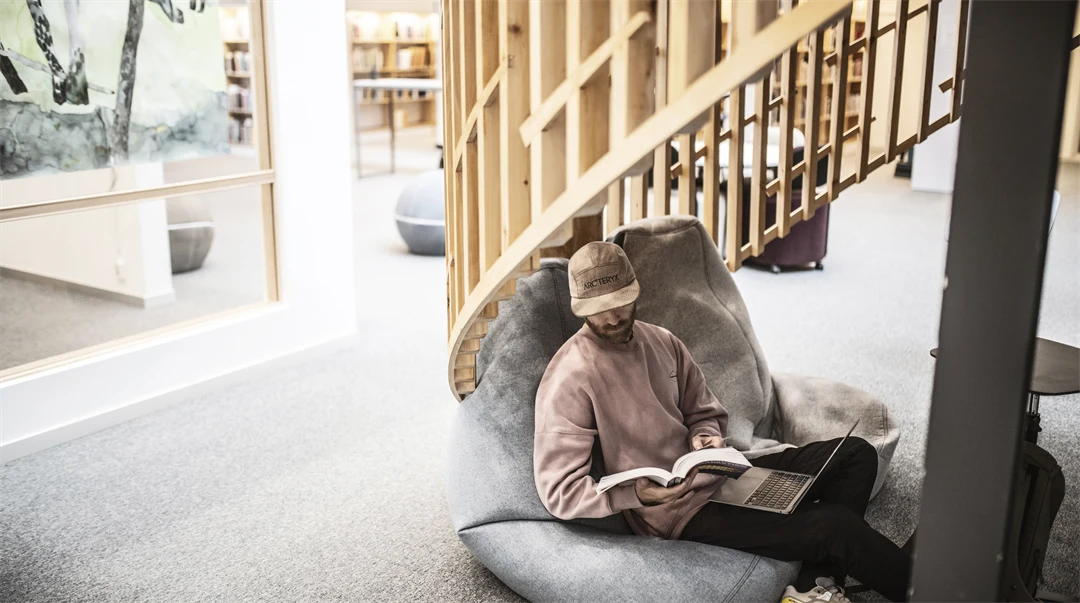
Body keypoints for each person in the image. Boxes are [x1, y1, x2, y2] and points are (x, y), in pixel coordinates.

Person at [533, 242, 911, 603]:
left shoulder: (663, 342)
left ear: (635, 290)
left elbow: (704, 412)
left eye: (620, 302)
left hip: (720, 474)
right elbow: (559, 490)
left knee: (855, 454)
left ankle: (815, 585)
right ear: (580, 308)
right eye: (599, 309)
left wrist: (706, 436)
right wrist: (634, 495)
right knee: (833, 526)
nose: (613, 316)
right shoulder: (570, 377)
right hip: (677, 510)